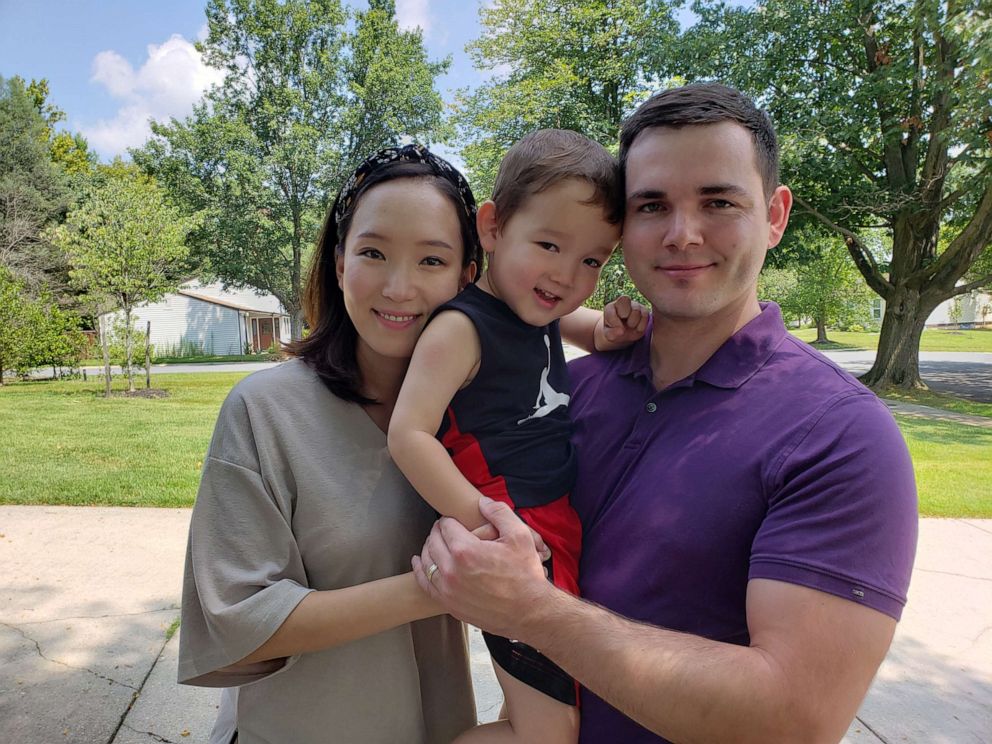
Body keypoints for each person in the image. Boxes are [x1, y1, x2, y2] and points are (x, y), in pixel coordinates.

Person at [413, 83, 919, 744]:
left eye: (718, 201)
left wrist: (534, 611)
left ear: (774, 214)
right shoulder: (569, 388)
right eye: (652, 206)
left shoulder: (840, 435)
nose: (682, 234)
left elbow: (794, 717)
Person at [179, 145, 501, 744]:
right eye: (373, 253)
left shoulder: (486, 415)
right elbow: (241, 621)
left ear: (467, 275)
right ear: (338, 263)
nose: (399, 287)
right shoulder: (264, 411)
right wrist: (437, 585)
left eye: (432, 260)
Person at [388, 129, 646, 744]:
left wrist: (615, 324)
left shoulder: (542, 309)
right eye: (550, 244)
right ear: (494, 228)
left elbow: (595, 331)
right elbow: (409, 434)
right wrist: (488, 526)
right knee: (549, 733)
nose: (566, 274)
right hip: (518, 542)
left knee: (547, 718)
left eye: (592, 260)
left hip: (553, 530)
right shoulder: (462, 329)